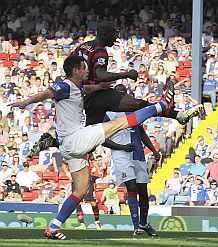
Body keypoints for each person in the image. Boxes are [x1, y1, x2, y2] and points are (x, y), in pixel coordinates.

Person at [9, 55, 171, 240]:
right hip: (76, 138)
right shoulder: (64, 85)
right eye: (85, 68)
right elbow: (47, 93)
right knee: (120, 123)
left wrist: (99, 87)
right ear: (76, 70)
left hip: (68, 146)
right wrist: (24, 102)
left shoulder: (76, 87)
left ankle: (53, 227)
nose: (88, 71)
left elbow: (83, 89)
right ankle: (162, 104)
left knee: (81, 190)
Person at [72, 20, 203, 131]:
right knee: (137, 104)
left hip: (83, 96)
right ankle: (165, 106)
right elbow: (101, 75)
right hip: (96, 95)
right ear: (105, 34)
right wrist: (127, 74)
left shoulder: (84, 46)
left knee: (90, 134)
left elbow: (69, 65)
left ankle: (179, 115)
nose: (116, 38)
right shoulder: (100, 50)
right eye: (113, 34)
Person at [106, 105, 160, 236]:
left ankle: (143, 223)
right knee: (131, 187)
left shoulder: (133, 113)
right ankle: (136, 227)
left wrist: (153, 150)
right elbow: (103, 139)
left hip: (139, 155)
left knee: (143, 191)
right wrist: (121, 147)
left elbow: (141, 133)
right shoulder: (108, 115)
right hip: (122, 156)